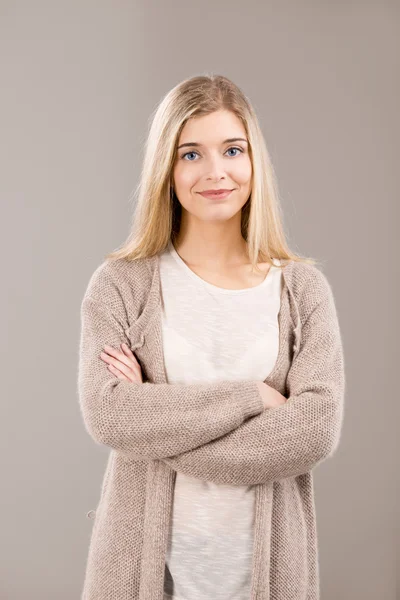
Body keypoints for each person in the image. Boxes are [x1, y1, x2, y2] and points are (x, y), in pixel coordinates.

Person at [78, 73, 345, 600]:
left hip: (267, 579)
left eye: (232, 149)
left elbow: (314, 429)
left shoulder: (303, 290)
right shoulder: (122, 284)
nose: (216, 172)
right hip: (143, 579)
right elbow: (109, 414)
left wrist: (155, 424)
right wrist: (253, 398)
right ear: (167, 169)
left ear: (254, 161)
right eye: (191, 154)